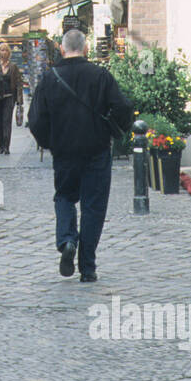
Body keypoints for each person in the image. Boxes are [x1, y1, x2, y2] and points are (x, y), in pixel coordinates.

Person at [28, 29, 132, 283]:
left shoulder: (50, 79)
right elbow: (123, 108)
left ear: (62, 49)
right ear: (86, 49)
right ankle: (88, 267)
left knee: (64, 197)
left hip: (64, 152)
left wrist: (49, 142)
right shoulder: (100, 75)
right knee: (93, 207)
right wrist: (113, 131)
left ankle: (66, 241)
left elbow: (36, 120)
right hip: (96, 150)